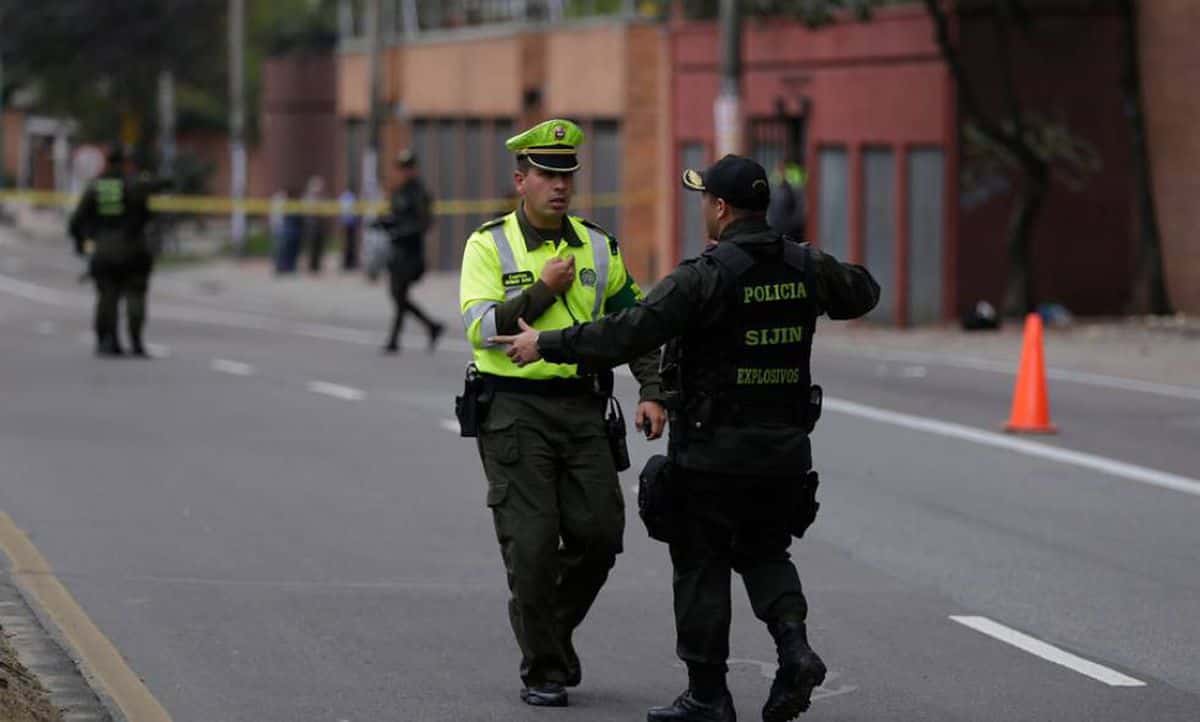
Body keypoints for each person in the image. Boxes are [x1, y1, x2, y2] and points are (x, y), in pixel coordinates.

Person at [492, 155, 880, 722]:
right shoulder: (805, 266)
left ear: (720, 208)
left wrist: (547, 345)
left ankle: (707, 695)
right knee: (767, 552)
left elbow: (629, 330)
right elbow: (863, 292)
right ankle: (794, 649)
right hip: (784, 453)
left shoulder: (705, 275)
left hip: (713, 453)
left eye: (704, 200)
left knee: (701, 565)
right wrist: (809, 271)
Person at [459, 119, 668, 708]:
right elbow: (479, 328)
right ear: (520, 180)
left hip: (582, 410)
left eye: (567, 175)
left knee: (601, 534)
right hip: (514, 411)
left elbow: (638, 326)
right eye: (547, 175)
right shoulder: (489, 244)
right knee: (531, 545)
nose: (560, 186)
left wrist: (652, 389)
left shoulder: (598, 246)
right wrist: (542, 291)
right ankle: (545, 666)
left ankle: (540, 620)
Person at [68, 144, 156, 357]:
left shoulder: (97, 187)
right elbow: (148, 215)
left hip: (105, 250)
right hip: (135, 249)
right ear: (126, 163)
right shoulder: (136, 186)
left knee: (107, 297)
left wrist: (81, 243)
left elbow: (76, 221)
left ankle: (107, 341)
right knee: (135, 296)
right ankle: (136, 342)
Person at [382, 150, 443, 353]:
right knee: (398, 296)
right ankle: (432, 327)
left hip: (412, 253)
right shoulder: (398, 192)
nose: (405, 172)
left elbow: (425, 223)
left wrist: (403, 232)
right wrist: (384, 224)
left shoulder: (420, 193)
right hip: (396, 252)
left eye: (408, 168)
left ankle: (394, 340)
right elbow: (393, 216)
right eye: (402, 168)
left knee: (400, 295)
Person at [767, 159, 807, 240]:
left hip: (789, 229)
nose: (779, 170)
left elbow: (799, 206)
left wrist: (791, 225)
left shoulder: (793, 181)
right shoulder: (774, 180)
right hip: (776, 226)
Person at [302, 175, 329, 274]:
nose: (319, 189)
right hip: (311, 224)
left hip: (321, 224)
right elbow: (307, 210)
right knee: (311, 246)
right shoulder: (308, 197)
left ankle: (317, 266)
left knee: (320, 246)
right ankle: (310, 266)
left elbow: (327, 210)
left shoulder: (324, 197)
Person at [338, 187, 360, 271]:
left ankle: (348, 262)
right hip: (348, 224)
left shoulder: (345, 197)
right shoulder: (350, 197)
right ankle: (347, 262)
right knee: (348, 244)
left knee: (349, 244)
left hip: (349, 224)